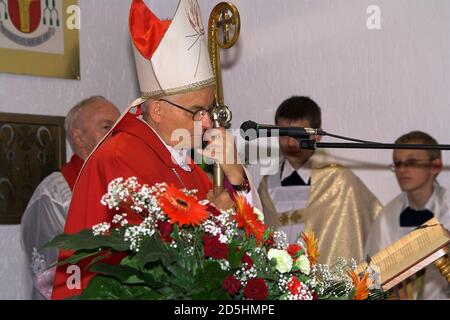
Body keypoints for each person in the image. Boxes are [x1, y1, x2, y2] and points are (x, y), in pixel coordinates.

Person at [51, 0, 260, 300]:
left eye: (209, 109)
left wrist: (236, 174)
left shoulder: (192, 166)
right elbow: (147, 259)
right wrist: (215, 219)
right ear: (158, 110)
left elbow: (244, 249)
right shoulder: (119, 158)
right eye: (196, 111)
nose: (206, 122)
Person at [258, 96, 383, 265]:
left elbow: (376, 226)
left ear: (317, 136)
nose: (289, 142)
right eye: (283, 134)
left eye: (298, 135)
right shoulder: (268, 185)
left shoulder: (340, 182)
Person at [20, 96, 120, 299]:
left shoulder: (126, 184)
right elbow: (50, 276)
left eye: (119, 127)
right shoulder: (53, 196)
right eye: (107, 127)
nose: (117, 135)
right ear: (78, 137)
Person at [365, 131, 449, 299]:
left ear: (435, 167)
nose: (402, 170)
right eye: (397, 163)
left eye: (412, 162)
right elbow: (372, 275)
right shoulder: (386, 218)